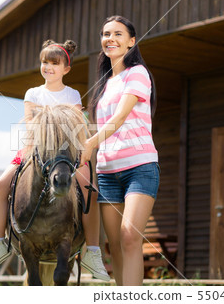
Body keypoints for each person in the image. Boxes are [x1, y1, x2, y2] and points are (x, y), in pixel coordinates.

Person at [0, 39, 110, 281]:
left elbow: (75, 125)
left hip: (65, 152)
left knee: (90, 191)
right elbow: (31, 124)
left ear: (65, 69)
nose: (48, 67)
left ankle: (92, 251)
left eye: (54, 63)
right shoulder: (33, 93)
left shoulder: (71, 94)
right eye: (44, 62)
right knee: (0, 186)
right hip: (34, 148)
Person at [80, 16, 159, 286]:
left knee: (129, 236)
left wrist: (90, 144)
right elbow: (97, 126)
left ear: (131, 42)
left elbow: (119, 118)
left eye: (117, 33)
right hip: (107, 171)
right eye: (105, 33)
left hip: (139, 167)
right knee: (114, 245)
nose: (110, 38)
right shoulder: (103, 84)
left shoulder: (136, 73)